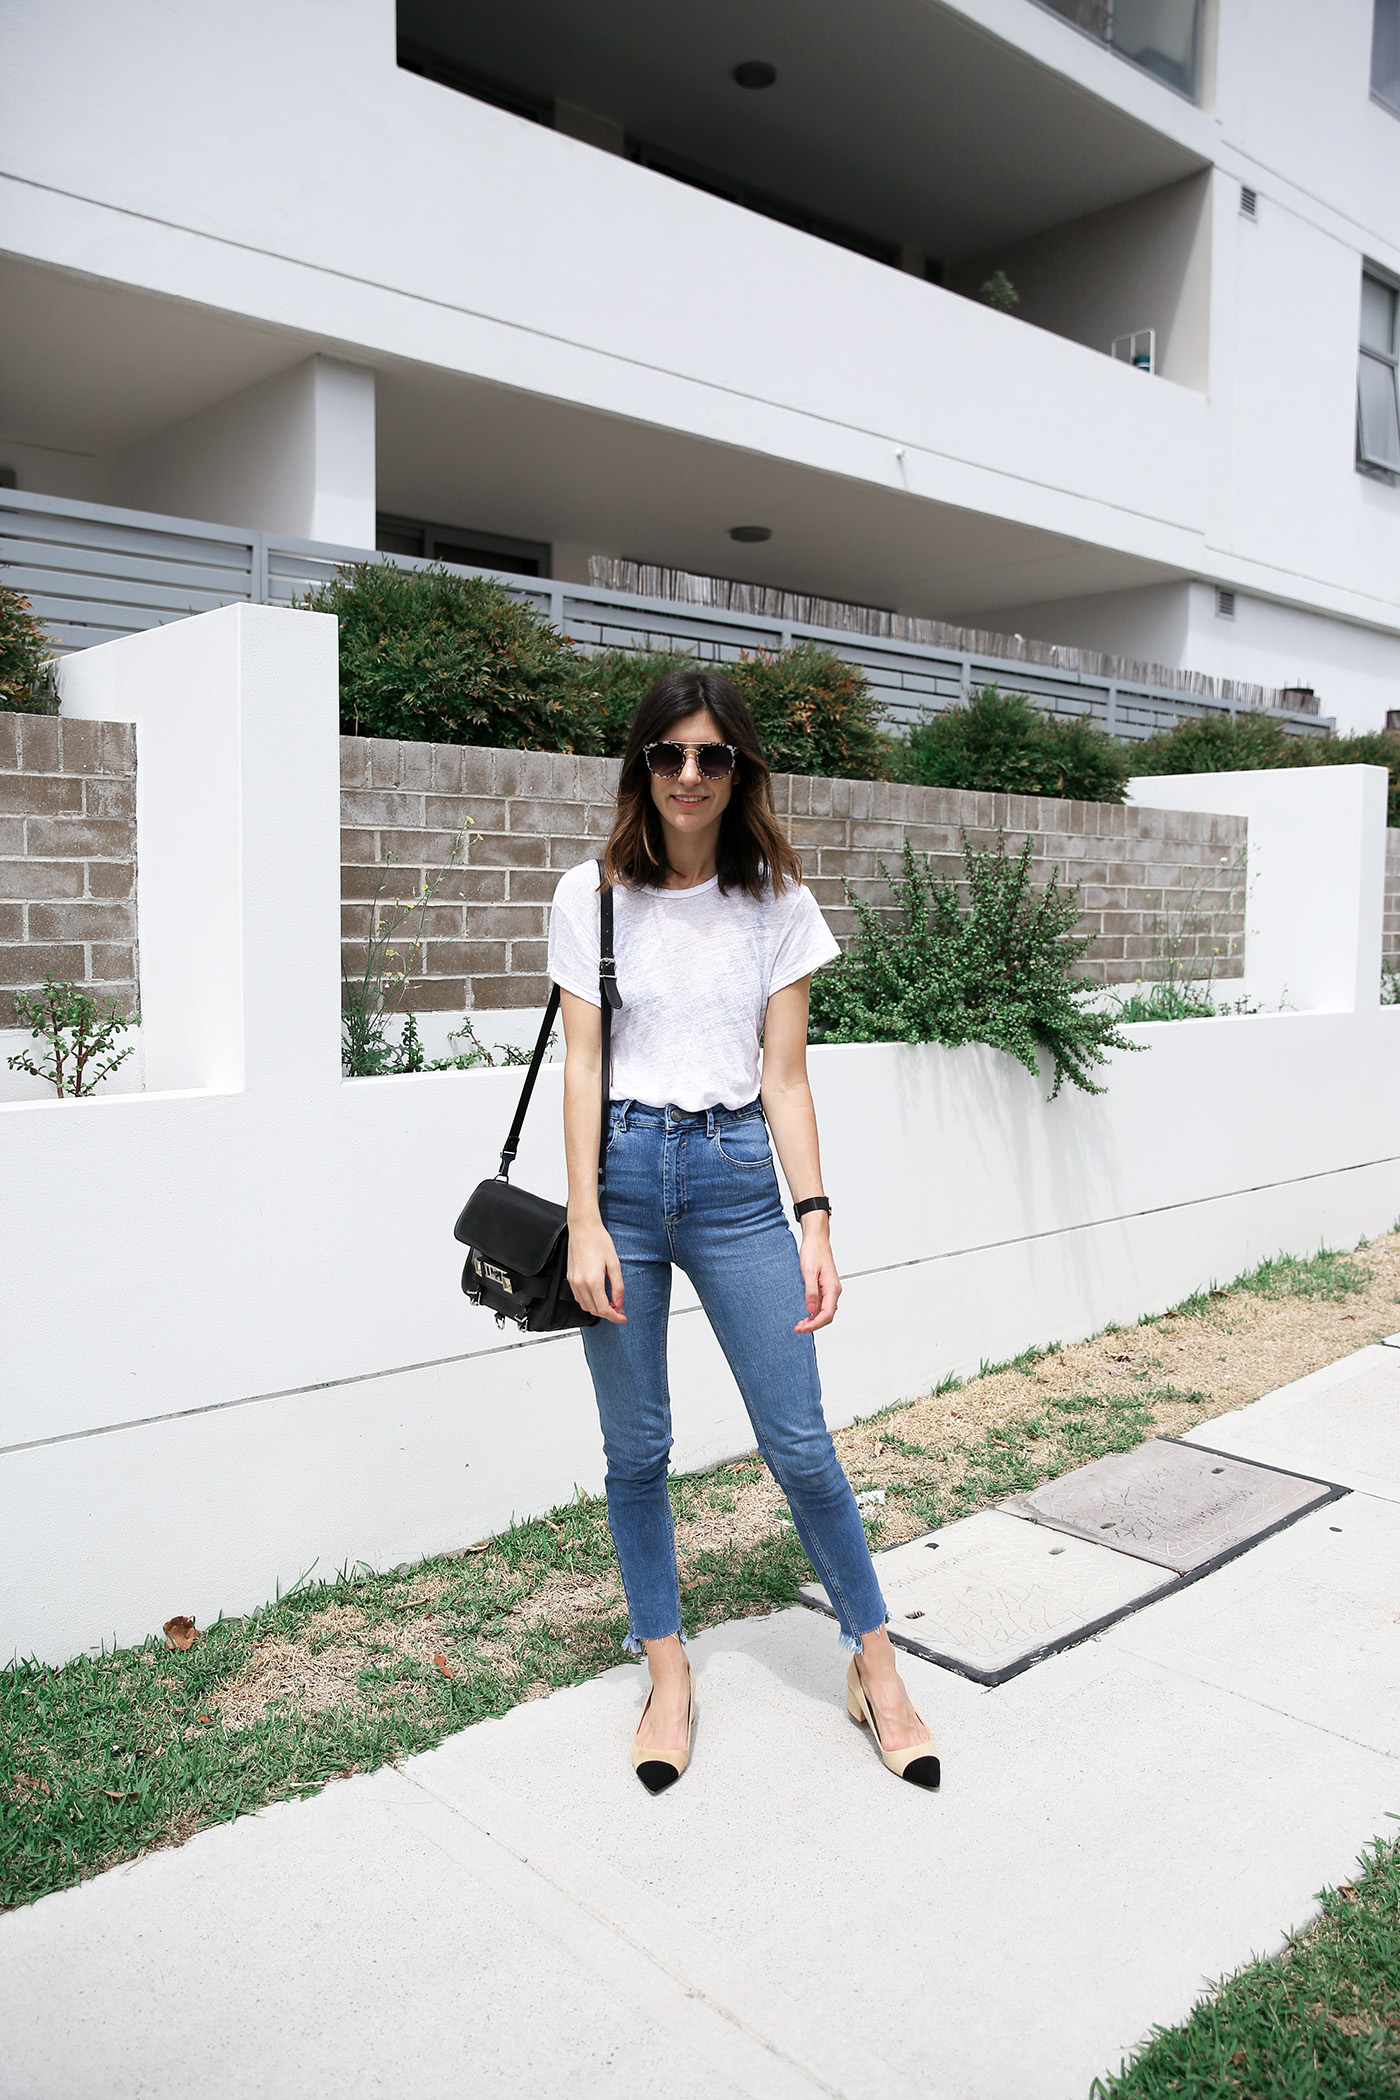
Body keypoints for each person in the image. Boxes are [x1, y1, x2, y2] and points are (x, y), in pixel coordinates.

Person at [547, 668, 939, 1795]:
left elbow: (784, 1080)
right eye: (666, 754)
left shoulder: (777, 903)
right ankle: (665, 1673)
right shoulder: (592, 896)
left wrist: (812, 1219)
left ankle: (875, 1662)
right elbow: (582, 1067)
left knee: (800, 1442)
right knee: (637, 1451)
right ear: (639, 765)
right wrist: (583, 1218)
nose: (686, 775)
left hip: (730, 1179)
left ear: (739, 771)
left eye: (709, 756)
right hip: (618, 1174)